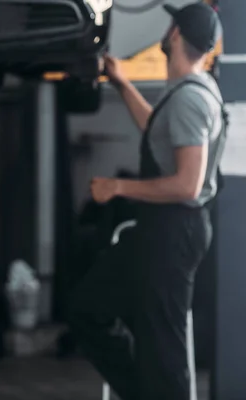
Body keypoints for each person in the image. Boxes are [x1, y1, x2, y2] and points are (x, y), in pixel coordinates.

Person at [67, 2, 225, 400]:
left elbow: (187, 185)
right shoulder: (192, 90)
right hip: (160, 230)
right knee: (89, 308)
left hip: (174, 230)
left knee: (163, 346)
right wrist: (122, 83)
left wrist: (119, 189)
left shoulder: (190, 99)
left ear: (173, 34)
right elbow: (159, 130)